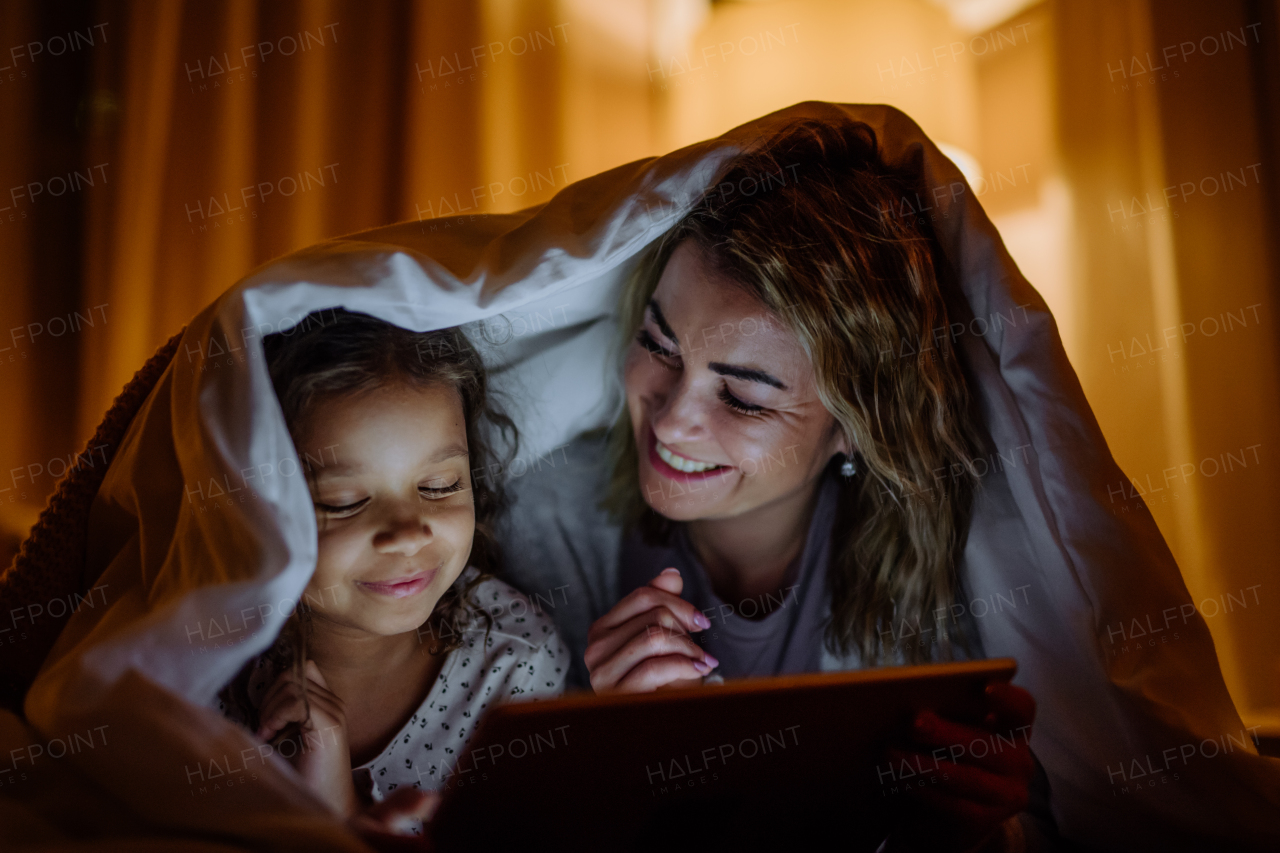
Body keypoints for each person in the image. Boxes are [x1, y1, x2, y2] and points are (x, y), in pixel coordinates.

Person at [217, 309, 569, 837]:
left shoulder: (515, 663)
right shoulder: (202, 669)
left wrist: (337, 818)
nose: (408, 533)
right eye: (344, 501)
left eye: (440, 487)